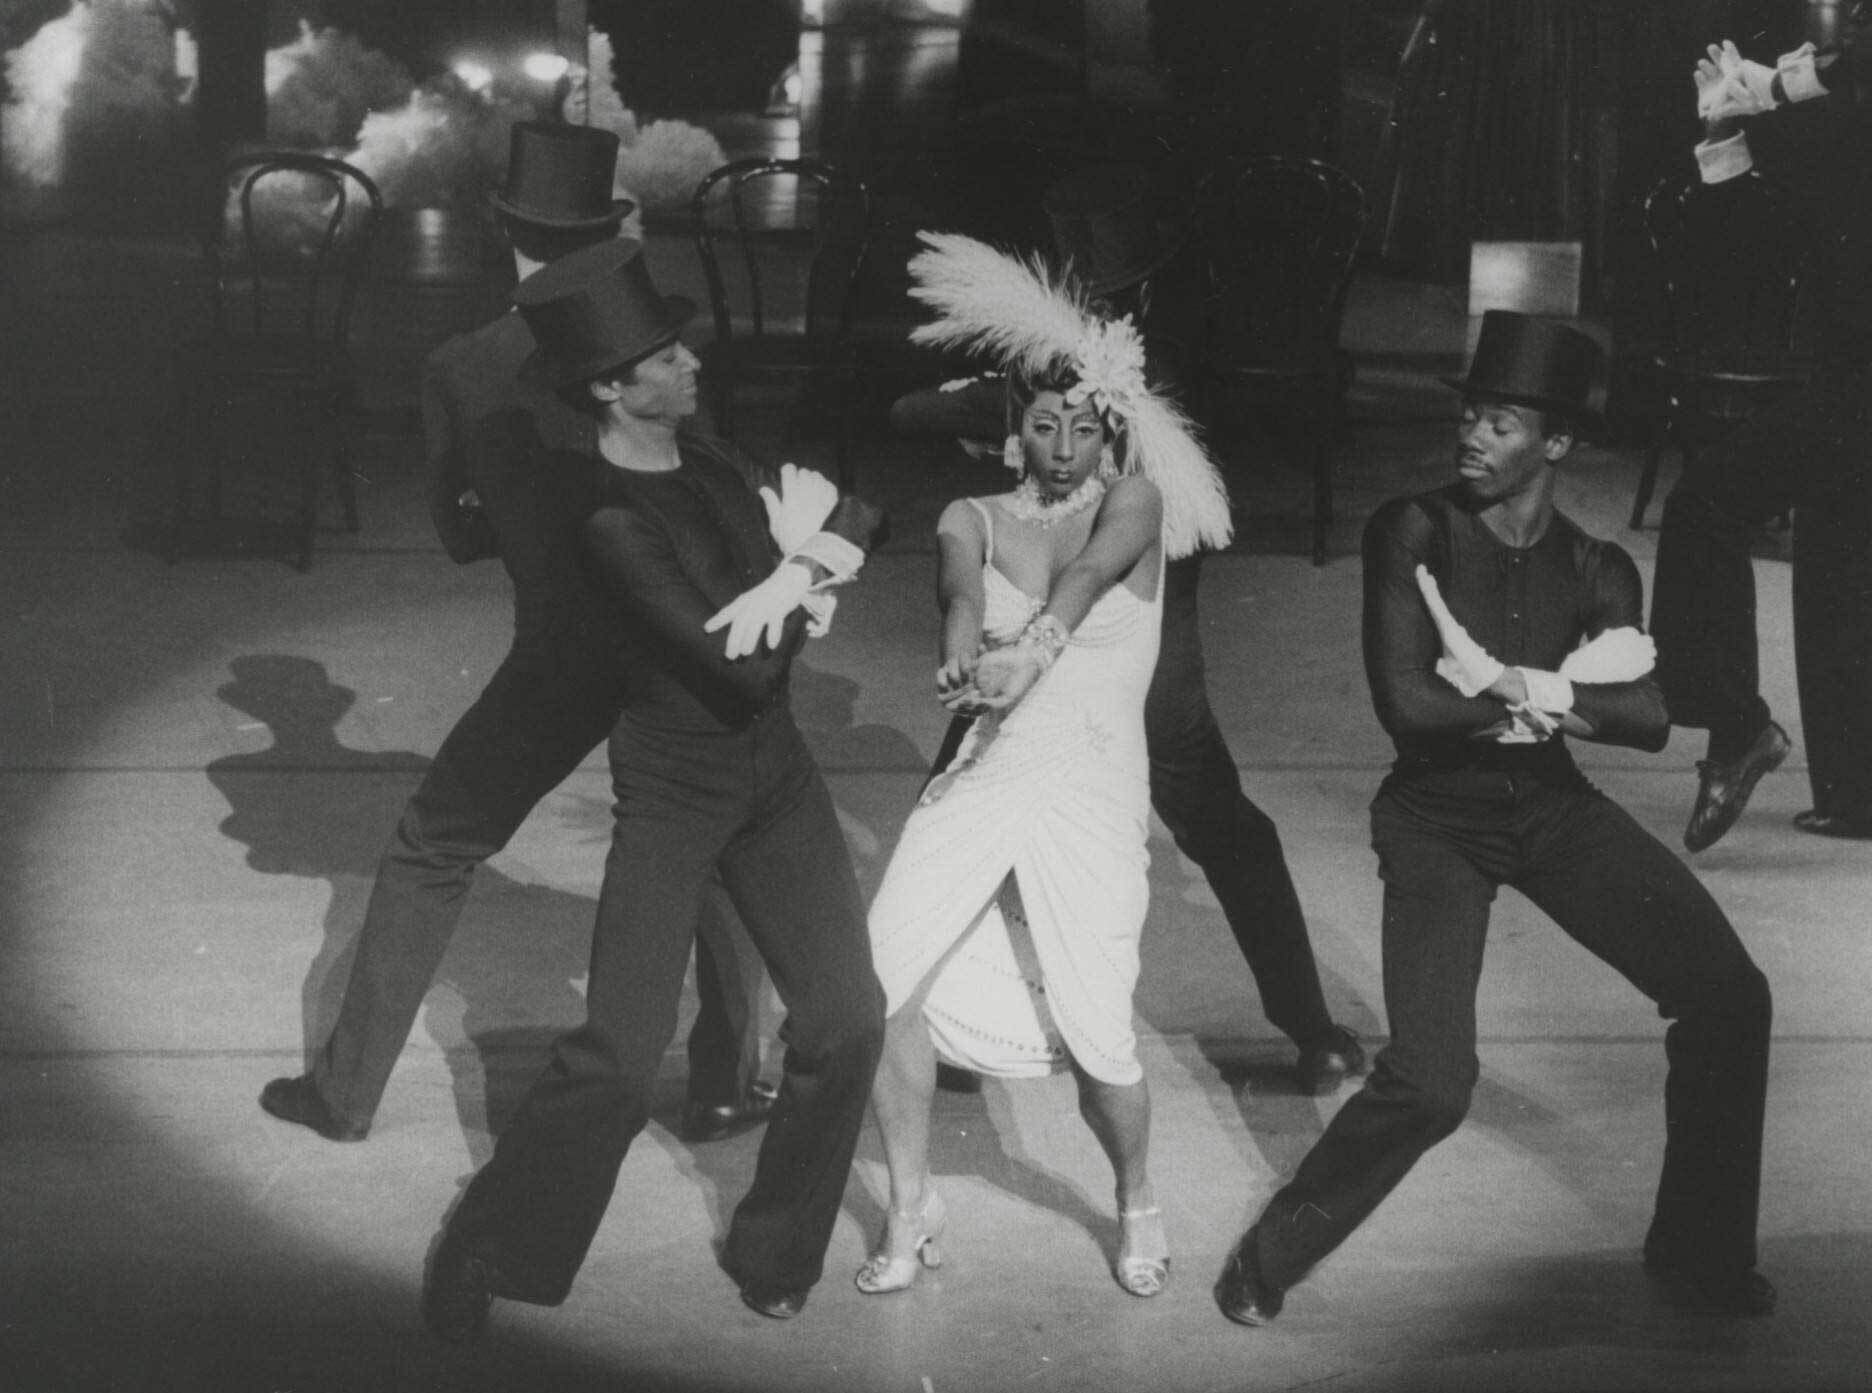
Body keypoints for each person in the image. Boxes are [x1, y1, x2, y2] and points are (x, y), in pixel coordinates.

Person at [1214, 312, 1775, 1326]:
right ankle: (1271, 1248)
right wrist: (1556, 691)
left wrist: (1527, 692)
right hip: (1435, 820)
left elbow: (1648, 718)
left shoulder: (1597, 566)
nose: (1471, 435)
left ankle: (1699, 1254)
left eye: (1501, 421)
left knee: (1729, 998)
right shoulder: (1413, 530)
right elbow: (1409, 706)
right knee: (1431, 1084)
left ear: (1554, 443)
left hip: (1554, 811)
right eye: (1469, 414)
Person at [258, 120, 771, 1147]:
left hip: (559, 657)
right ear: (607, 225)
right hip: (671, 651)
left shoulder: (461, 363)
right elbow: (712, 496)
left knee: (432, 843)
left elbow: (454, 533)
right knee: (701, 849)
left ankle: (345, 1092)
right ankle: (722, 1081)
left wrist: (524, 520)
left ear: (503, 229)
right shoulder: (650, 355)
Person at [420, 238, 889, 1339]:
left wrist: (810, 559)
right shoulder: (610, 524)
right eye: (664, 356)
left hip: (772, 775)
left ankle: (776, 1247)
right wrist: (821, 559)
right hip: (678, 787)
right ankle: (494, 1243)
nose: (690, 364)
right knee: (622, 1061)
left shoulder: (711, 467)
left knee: (846, 1017)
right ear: (607, 387)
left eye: (679, 345)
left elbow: (849, 536)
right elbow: (751, 661)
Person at [889, 164, 1368, 1096]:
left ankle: (1310, 1023)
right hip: (1069, 642)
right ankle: (954, 1024)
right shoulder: (1075, 370)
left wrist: (991, 420)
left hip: (1139, 659)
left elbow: (1112, 518)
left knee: (987, 810)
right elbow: (940, 419)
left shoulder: (1141, 383)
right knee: (968, 813)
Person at [855, 232, 1234, 1301]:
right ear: (1010, 429)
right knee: (880, 979)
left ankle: (1133, 1197)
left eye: (1082, 423)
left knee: (1098, 1031)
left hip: (1092, 782)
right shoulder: (966, 516)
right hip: (987, 770)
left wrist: (1038, 644)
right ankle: (909, 1200)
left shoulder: (1135, 506)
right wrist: (961, 653)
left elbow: (1083, 579)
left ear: (1109, 426)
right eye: (1041, 422)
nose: (1063, 442)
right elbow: (962, 597)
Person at [1650, 0, 1872, 851]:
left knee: (1704, 504)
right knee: (1835, 571)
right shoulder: (1853, 97)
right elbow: (1764, 230)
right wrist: (1727, 122)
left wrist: (1774, 89)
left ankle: (1733, 722)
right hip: (1869, 372)